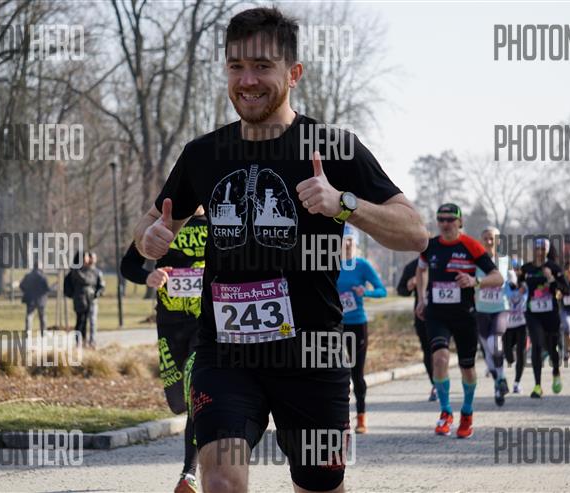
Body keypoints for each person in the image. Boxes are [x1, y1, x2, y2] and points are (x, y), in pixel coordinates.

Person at [131, 8, 428, 492]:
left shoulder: (332, 147)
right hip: (224, 356)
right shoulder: (203, 154)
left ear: (294, 73)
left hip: (311, 357)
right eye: (236, 66)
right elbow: (152, 222)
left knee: (318, 487)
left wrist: (344, 203)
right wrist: (148, 238)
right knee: (221, 481)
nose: (247, 80)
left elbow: (414, 233)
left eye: (262, 66)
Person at [122, 206, 206, 493]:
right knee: (178, 401)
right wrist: (149, 277)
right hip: (171, 323)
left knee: (195, 392)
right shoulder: (166, 221)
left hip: (207, 322)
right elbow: (128, 264)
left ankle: (188, 474)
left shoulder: (221, 217)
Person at [415, 204, 503, 438]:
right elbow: (421, 270)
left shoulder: (471, 246)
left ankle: (467, 413)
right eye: (441, 219)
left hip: (464, 315)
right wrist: (421, 298)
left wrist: (475, 281)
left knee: (468, 368)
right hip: (436, 314)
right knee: (440, 358)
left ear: (460, 222)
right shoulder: (429, 246)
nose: (445, 224)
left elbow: (498, 277)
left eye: (450, 219)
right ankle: (445, 412)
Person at [336, 224, 387, 434]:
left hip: (357, 323)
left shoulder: (362, 265)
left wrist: (365, 292)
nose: (347, 246)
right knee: (335, 373)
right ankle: (339, 420)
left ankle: (361, 417)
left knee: (356, 373)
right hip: (334, 325)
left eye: (351, 242)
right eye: (343, 242)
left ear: (356, 245)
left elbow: (382, 291)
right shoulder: (329, 264)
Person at [518, 238, 568, 398]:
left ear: (547, 250)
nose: (539, 252)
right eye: (537, 249)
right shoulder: (526, 268)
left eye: (542, 249)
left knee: (552, 347)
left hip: (551, 314)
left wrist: (551, 279)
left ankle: (556, 372)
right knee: (537, 345)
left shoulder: (554, 267)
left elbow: (566, 289)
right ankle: (537, 386)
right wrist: (521, 287)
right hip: (532, 313)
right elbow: (519, 284)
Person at [474, 226, 513, 406]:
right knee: (487, 349)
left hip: (500, 308)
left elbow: (513, 279)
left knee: (494, 342)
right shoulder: (475, 261)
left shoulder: (504, 260)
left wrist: (514, 282)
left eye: (492, 238)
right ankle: (499, 383)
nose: (489, 242)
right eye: (486, 238)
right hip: (481, 310)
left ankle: (501, 377)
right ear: (481, 241)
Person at [397, 257, 435, 401]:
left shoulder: (444, 258)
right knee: (428, 350)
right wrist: (409, 286)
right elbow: (401, 290)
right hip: (422, 315)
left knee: (440, 350)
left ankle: (442, 382)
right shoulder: (412, 266)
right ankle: (436, 384)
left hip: (444, 313)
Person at [63, 251, 98, 346]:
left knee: (84, 321)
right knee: (80, 320)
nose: (88, 259)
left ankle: (84, 341)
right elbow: (87, 280)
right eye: (86, 257)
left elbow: (93, 280)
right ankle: (78, 342)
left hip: (87, 299)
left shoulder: (85, 269)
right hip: (80, 299)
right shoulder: (76, 270)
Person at [503, 266, 528, 393]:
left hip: (522, 325)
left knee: (521, 353)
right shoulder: (505, 286)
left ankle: (517, 383)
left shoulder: (526, 286)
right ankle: (510, 358)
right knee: (509, 356)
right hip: (508, 326)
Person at [19, 261, 50, 337]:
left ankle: (28, 332)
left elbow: (21, 286)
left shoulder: (28, 276)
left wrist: (27, 291)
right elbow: (46, 288)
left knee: (29, 316)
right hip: (41, 300)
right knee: (42, 317)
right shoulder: (43, 277)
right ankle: (43, 333)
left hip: (30, 299)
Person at [86, 252, 106, 348]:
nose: (92, 260)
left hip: (93, 301)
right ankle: (83, 341)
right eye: (91, 258)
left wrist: (97, 294)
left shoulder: (98, 272)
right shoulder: (83, 271)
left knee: (93, 321)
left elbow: (102, 286)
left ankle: (92, 341)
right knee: (83, 321)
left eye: (94, 258)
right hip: (83, 301)